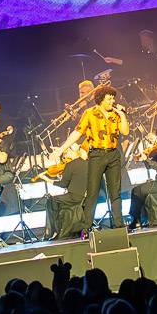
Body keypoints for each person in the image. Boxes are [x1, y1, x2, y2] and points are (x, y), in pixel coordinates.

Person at [51, 85, 129, 229]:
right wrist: (62, 149)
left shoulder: (116, 114)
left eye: (113, 98)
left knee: (115, 192)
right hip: (97, 154)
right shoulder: (89, 113)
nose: (112, 101)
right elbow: (77, 133)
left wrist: (123, 115)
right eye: (109, 99)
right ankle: (86, 227)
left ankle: (119, 225)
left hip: (113, 154)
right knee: (92, 192)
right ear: (101, 99)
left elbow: (125, 131)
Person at [43, 144, 89, 240]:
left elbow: (63, 184)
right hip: (85, 197)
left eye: (66, 152)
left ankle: (52, 232)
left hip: (74, 197)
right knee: (59, 204)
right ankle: (65, 230)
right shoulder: (87, 163)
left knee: (51, 201)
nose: (65, 154)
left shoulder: (71, 165)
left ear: (72, 152)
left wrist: (47, 179)